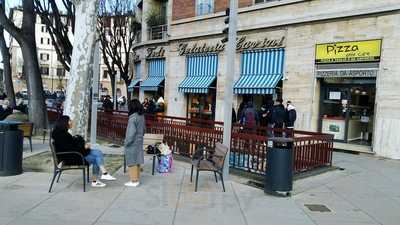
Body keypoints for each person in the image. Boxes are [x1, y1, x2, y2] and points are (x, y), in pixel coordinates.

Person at [51, 115, 116, 187]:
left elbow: (71, 145)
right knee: (96, 158)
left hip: (74, 155)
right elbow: (70, 149)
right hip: (72, 158)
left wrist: (83, 145)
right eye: (69, 120)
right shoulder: (61, 135)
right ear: (64, 122)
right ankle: (98, 179)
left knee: (98, 152)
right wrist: (84, 147)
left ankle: (104, 174)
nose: (71, 122)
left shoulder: (62, 133)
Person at [124, 99, 146, 187]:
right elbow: (144, 129)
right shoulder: (141, 116)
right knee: (137, 161)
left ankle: (134, 181)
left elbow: (131, 133)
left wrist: (126, 142)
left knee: (132, 161)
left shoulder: (133, 118)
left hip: (132, 142)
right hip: (139, 140)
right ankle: (137, 179)